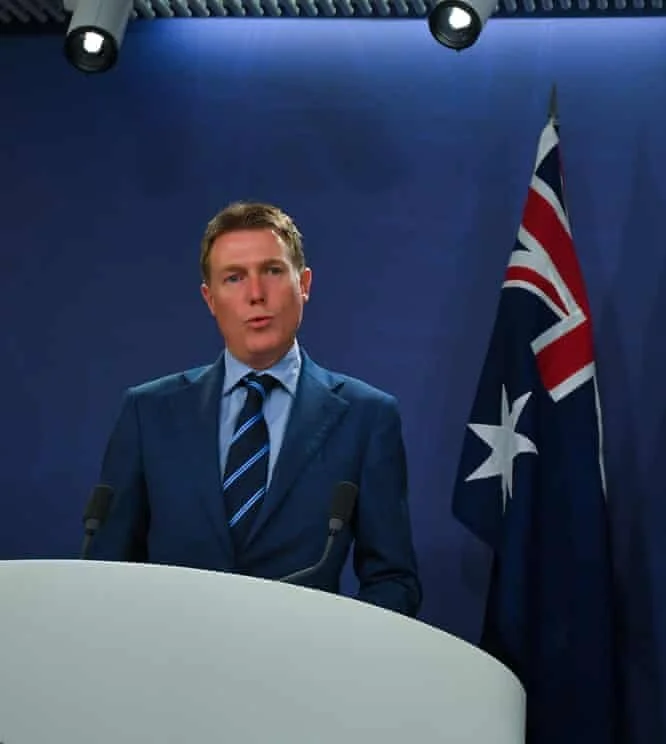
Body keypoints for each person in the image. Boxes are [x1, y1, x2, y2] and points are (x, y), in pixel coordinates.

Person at [88, 201, 423, 618]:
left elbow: (393, 581)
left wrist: (341, 661)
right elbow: (106, 570)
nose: (256, 294)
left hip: (302, 669)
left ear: (304, 284)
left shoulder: (367, 417)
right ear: (210, 299)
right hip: (170, 665)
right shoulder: (148, 412)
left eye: (273, 271)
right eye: (234, 277)